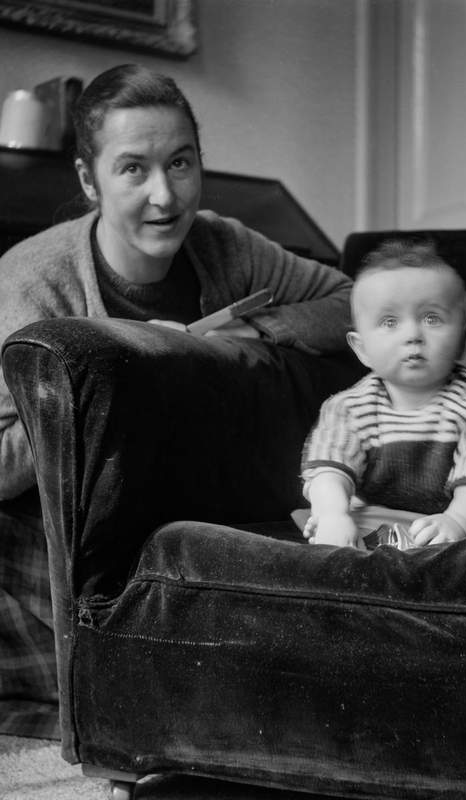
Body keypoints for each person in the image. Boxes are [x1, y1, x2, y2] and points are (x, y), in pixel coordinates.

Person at [0, 63, 353, 738]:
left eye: (181, 163)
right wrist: (110, 370)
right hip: (60, 539)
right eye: (133, 169)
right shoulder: (32, 283)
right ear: (87, 180)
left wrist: (245, 336)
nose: (166, 196)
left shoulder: (222, 245)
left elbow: (346, 301)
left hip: (187, 513)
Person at [300, 238, 466, 550]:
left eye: (431, 318)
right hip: (390, 510)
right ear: (362, 349)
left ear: (463, 340)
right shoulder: (348, 409)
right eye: (389, 322)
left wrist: (457, 522)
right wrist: (332, 514)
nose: (412, 335)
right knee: (335, 518)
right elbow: (329, 469)